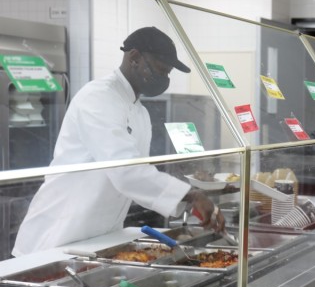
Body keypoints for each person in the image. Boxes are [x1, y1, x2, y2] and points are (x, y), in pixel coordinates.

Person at [13, 27, 224, 256]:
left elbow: (136, 178)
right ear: (134, 57)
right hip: (56, 236)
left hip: (98, 237)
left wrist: (187, 202)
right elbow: (126, 171)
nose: (164, 79)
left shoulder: (140, 113)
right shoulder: (98, 97)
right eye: (160, 70)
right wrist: (191, 195)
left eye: (168, 73)